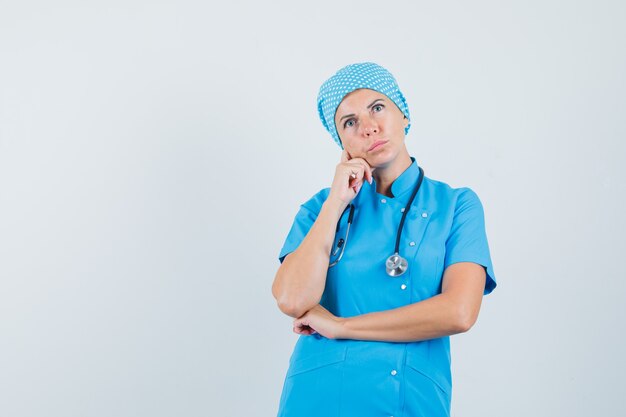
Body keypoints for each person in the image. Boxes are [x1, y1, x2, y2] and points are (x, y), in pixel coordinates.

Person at [271, 62, 497, 417]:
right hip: (317, 400)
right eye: (349, 122)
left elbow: (459, 311)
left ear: (403, 113)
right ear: (341, 142)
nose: (368, 127)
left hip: (408, 400)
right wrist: (336, 202)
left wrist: (341, 326)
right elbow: (292, 299)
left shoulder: (455, 205)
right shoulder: (319, 210)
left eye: (377, 107)